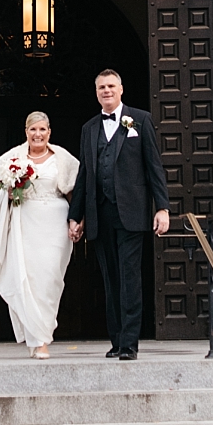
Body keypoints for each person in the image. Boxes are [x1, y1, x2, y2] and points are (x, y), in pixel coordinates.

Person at [68, 70, 169, 361]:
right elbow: (84, 174)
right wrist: (75, 218)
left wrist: (161, 207)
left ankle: (130, 343)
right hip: (100, 215)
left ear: (121, 89)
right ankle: (116, 341)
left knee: (129, 278)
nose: (106, 91)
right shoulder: (89, 128)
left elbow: (154, 168)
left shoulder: (141, 119)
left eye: (111, 86)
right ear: (96, 91)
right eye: (101, 87)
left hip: (132, 213)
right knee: (110, 281)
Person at [0, 112, 80, 359]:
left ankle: (41, 332)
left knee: (49, 280)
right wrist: (8, 191)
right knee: (26, 277)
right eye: (33, 130)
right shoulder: (14, 157)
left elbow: (73, 192)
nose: (37, 135)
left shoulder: (62, 157)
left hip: (54, 224)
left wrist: (76, 221)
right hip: (24, 223)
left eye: (42, 130)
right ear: (26, 132)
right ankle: (39, 340)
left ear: (49, 132)